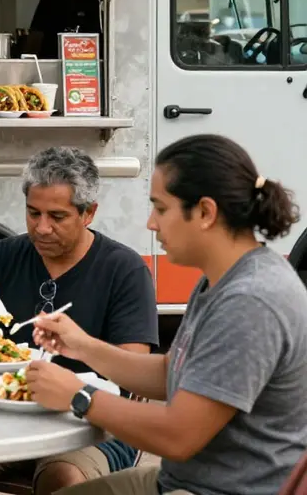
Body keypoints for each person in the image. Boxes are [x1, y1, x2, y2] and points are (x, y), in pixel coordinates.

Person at [28, 133, 307, 495]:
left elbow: (178, 435)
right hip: (182, 481)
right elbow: (170, 372)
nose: (151, 223)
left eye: (160, 208)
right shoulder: (223, 277)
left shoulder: (251, 300)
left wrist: (78, 395)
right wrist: (82, 346)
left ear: (205, 212)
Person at [0, 146, 159, 495]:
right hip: (8, 411)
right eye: (33, 213)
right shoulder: (7, 255)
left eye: (57, 216)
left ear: (88, 213)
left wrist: (79, 348)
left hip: (90, 424)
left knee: (63, 478)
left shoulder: (123, 270)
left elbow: (136, 369)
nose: (41, 228)